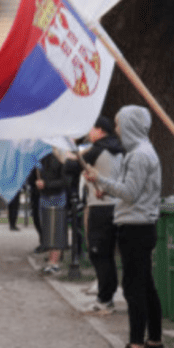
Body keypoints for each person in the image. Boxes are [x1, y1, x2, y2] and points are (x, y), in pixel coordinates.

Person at [84, 106, 164, 348]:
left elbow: (129, 193)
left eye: (119, 124)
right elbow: (130, 191)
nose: (116, 129)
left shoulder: (140, 155)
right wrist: (104, 186)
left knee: (134, 288)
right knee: (146, 286)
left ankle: (137, 347)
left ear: (130, 125)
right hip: (139, 224)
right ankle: (154, 343)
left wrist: (102, 181)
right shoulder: (141, 152)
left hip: (136, 227)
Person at [77, 116, 124, 314]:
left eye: (92, 129)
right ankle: (107, 296)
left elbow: (70, 167)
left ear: (100, 130)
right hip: (115, 204)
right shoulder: (119, 148)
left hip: (99, 206)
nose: (89, 132)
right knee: (108, 255)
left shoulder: (97, 149)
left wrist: (73, 153)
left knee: (98, 254)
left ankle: (105, 299)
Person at [36, 152, 69, 275]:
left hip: (57, 195)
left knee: (56, 229)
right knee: (48, 228)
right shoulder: (40, 159)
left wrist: (46, 184)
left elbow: (65, 181)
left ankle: (54, 262)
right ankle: (51, 260)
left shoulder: (59, 157)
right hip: (45, 195)